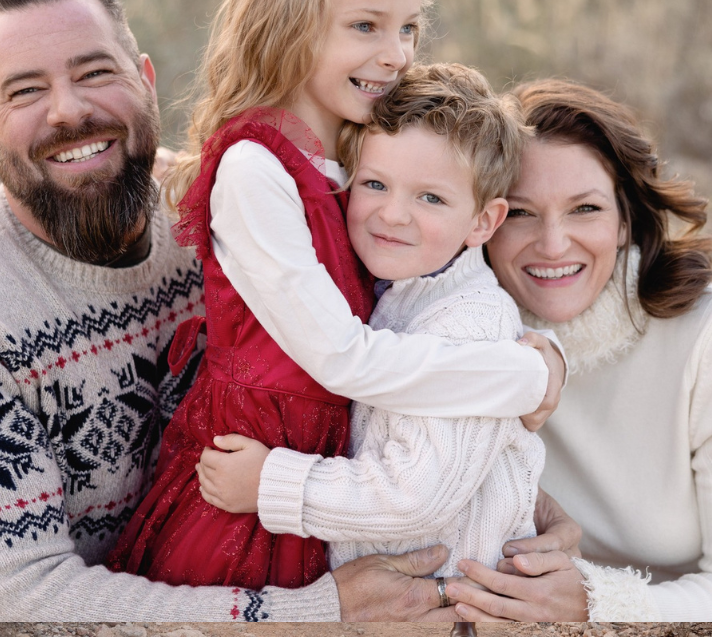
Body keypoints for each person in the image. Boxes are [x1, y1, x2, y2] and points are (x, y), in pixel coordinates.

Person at [0, 0, 504, 623]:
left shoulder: (233, 208)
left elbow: (424, 306)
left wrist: (533, 498)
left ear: (145, 78)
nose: (66, 110)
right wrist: (316, 614)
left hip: (304, 527)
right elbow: (25, 596)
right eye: (24, 90)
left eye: (94, 72)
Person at [108, 0, 565, 592]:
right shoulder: (257, 169)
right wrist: (521, 377)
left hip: (331, 474)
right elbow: (343, 359)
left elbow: (446, 283)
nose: (396, 55)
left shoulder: (365, 157)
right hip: (254, 473)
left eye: (408, 28)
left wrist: (550, 350)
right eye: (366, 26)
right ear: (288, 22)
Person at [196, 62, 545, 582]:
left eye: (431, 198)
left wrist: (272, 483)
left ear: (483, 221)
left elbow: (414, 498)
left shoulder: (472, 321)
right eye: (375, 184)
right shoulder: (391, 285)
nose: (393, 214)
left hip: (447, 600)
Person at [443, 79, 712, 622]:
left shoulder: (705, 336)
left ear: (624, 221)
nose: (553, 244)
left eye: (585, 208)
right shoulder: (453, 341)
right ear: (481, 223)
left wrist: (594, 604)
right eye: (520, 212)